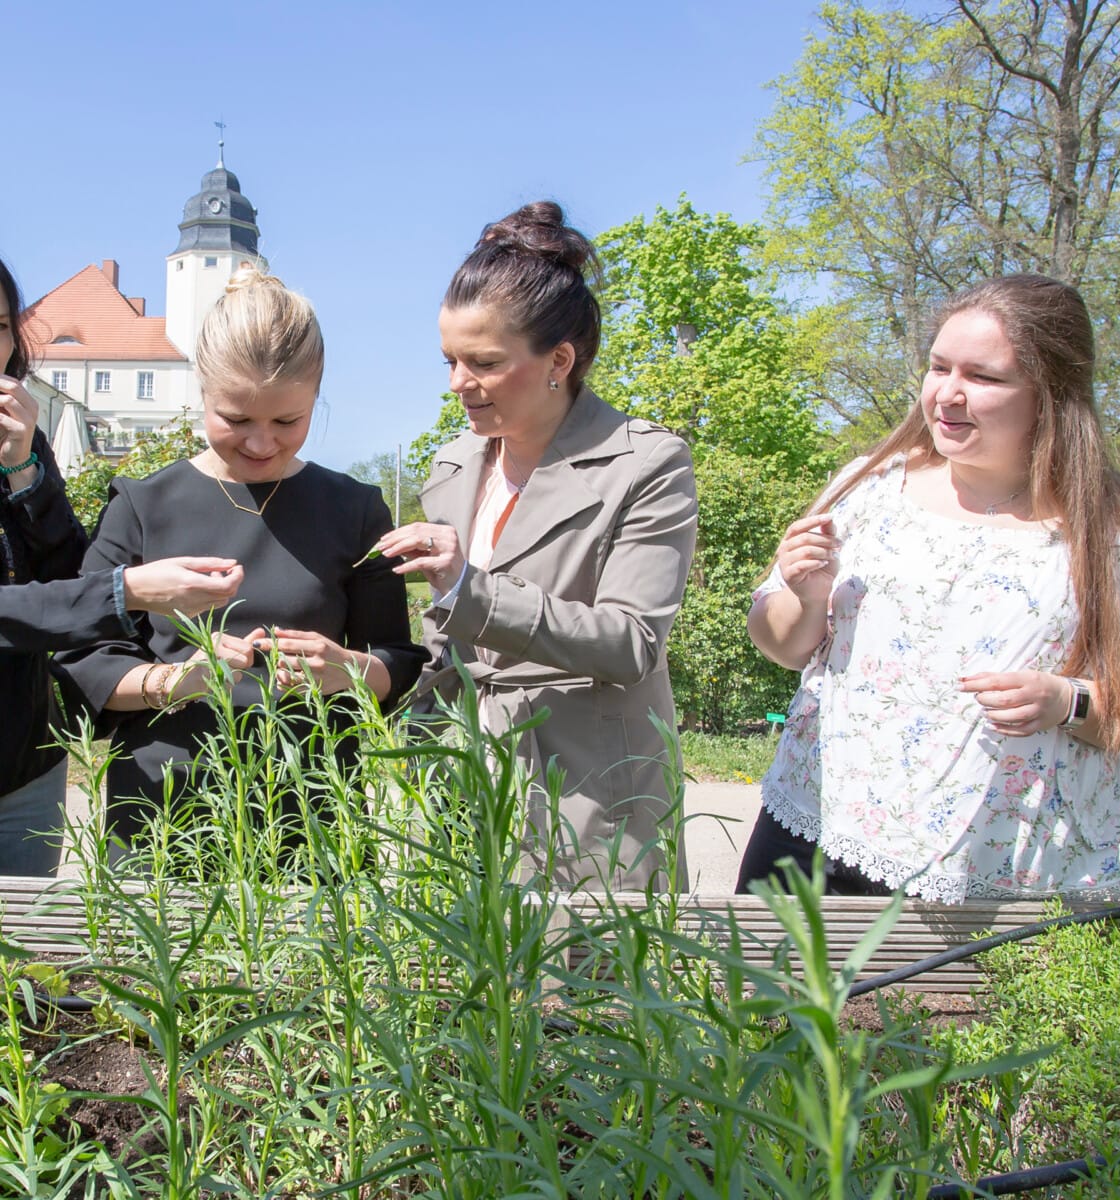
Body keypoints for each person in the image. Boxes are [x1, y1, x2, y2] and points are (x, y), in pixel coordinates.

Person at [736, 274, 1120, 904]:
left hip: (1011, 870)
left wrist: (1067, 702)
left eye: (984, 378)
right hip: (813, 835)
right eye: (939, 368)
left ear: (1053, 393)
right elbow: (782, 644)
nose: (947, 395)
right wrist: (805, 597)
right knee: (769, 1007)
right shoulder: (870, 486)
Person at [375, 202, 697, 891]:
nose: (458, 384)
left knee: (594, 994)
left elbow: (632, 640)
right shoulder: (453, 465)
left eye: (484, 363)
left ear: (559, 360)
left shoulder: (646, 462)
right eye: (450, 360)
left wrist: (470, 589)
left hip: (593, 799)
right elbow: (452, 652)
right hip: (470, 793)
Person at [56, 265, 425, 847]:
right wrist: (181, 679)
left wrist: (348, 671)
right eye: (235, 419)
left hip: (311, 815)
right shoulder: (140, 504)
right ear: (201, 390)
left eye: (288, 421)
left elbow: (399, 662)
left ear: (317, 394)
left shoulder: (355, 510)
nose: (260, 443)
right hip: (162, 816)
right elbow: (84, 660)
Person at [1, 255, 244, 874]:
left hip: (25, 766)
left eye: (1, 326)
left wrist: (25, 471)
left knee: (28, 960)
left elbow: (63, 575)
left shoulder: (23, 440)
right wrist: (129, 590)